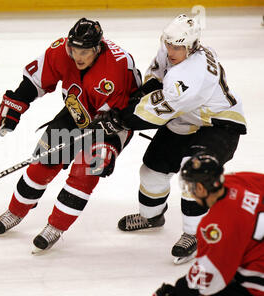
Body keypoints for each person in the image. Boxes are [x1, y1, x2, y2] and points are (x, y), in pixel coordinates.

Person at [92, 14, 247, 263]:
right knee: (152, 169)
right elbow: (156, 78)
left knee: (193, 170)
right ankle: (152, 216)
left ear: (192, 46)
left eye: (177, 47)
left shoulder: (192, 73)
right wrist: (137, 97)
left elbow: (155, 113)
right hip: (187, 118)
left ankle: (196, 234)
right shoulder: (172, 50)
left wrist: (120, 119)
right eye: (169, 44)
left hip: (220, 124)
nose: (171, 50)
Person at [0, 18, 141, 252]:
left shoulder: (117, 66)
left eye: (85, 51)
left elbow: (124, 112)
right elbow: (35, 81)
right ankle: (15, 212)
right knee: (43, 162)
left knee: (87, 168)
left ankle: (56, 227)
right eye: (74, 49)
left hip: (114, 123)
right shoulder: (61, 50)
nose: (78, 56)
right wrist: (17, 102)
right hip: (76, 110)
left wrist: (107, 143)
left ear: (98, 48)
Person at [149, 153, 264, 296]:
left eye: (190, 187)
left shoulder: (216, 224)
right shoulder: (240, 179)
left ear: (201, 188)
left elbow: (209, 275)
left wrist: (176, 293)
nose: (189, 191)